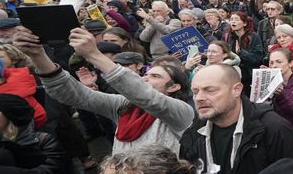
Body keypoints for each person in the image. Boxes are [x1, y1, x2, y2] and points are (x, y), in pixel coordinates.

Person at [14, 27, 194, 154]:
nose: (146, 78)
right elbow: (74, 95)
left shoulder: (181, 112)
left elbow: (148, 98)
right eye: (147, 74)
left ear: (174, 87)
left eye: (156, 77)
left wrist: (93, 54)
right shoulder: (123, 106)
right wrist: (37, 55)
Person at [182, 64, 293, 174]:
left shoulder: (274, 130)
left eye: (210, 90)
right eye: (195, 92)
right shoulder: (192, 135)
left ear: (236, 90)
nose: (199, 98)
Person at [222, 11, 265, 89]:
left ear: (244, 23)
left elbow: (257, 58)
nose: (233, 21)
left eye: (237, 19)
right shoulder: (227, 36)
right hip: (232, 75)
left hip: (249, 77)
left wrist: (241, 52)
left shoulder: (254, 37)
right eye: (231, 19)